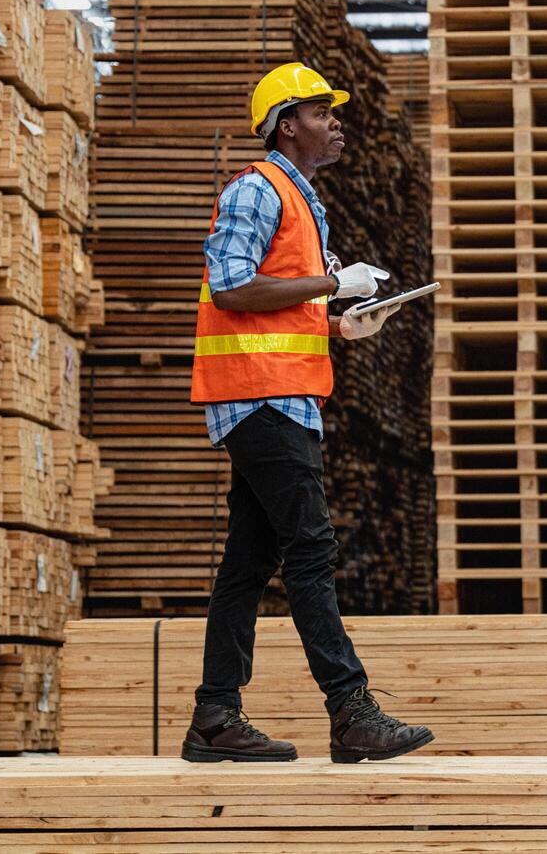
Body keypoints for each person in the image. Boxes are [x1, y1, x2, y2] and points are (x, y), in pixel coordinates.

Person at [182, 62, 434, 763]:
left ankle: (214, 716)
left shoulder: (301, 200)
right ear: (287, 125)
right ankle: (351, 711)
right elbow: (231, 287)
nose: (337, 122)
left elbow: (278, 307)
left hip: (281, 394)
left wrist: (339, 324)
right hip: (260, 398)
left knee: (248, 561)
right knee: (311, 549)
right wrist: (331, 280)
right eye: (323, 112)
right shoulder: (256, 190)